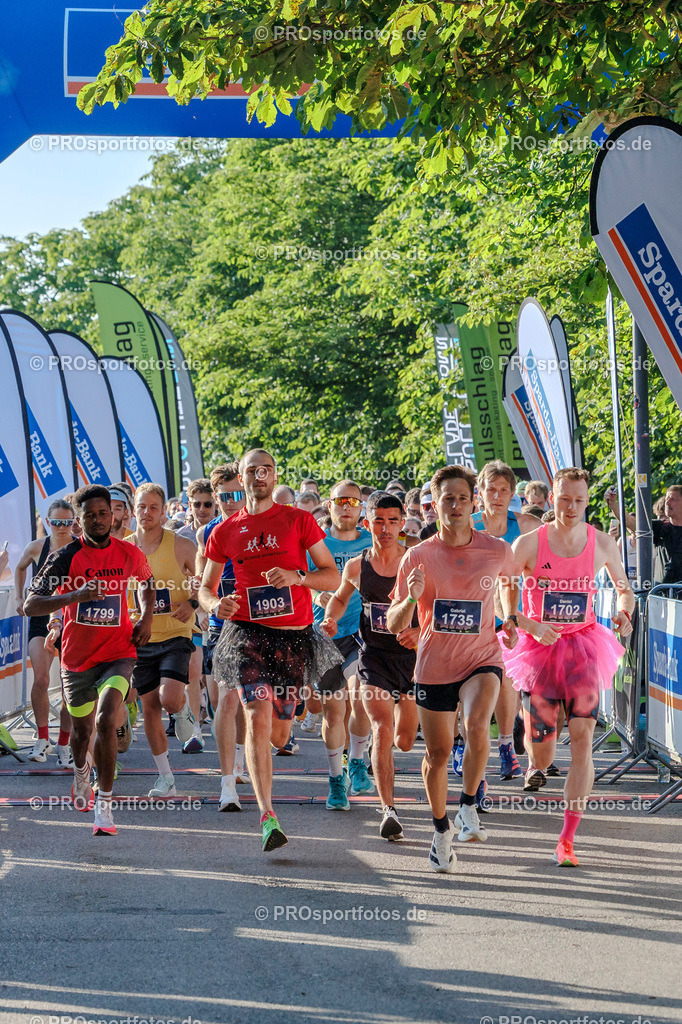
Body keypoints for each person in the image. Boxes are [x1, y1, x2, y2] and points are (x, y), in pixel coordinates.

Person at [199, 448, 341, 853]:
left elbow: (330, 577)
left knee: (279, 731)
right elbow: (206, 589)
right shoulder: (225, 530)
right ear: (240, 478)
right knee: (256, 716)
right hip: (247, 635)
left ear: (275, 475)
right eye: (251, 471)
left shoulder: (298, 520)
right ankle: (267, 817)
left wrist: (298, 577)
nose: (259, 476)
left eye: (267, 470)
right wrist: (215, 605)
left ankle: (286, 728)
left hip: (294, 638)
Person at [387, 465, 521, 873]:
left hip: (482, 657)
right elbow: (395, 624)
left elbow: (508, 584)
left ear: (473, 502)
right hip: (434, 663)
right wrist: (410, 600)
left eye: (464, 498)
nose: (457, 505)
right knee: (439, 752)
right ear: (435, 504)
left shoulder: (496, 549)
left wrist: (510, 617)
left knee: (479, 724)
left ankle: (468, 806)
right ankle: (441, 830)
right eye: (449, 498)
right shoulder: (418, 556)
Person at [503, 468, 634, 867]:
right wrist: (522, 622)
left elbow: (625, 589)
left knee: (582, 737)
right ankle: (533, 757)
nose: (571, 507)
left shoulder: (602, 542)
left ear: (587, 500)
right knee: (542, 755)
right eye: (564, 499)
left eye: (578, 500)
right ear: (551, 498)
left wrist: (626, 614)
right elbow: (502, 588)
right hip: (540, 649)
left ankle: (567, 839)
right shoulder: (528, 543)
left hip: (583, 648)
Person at [24, 484, 154, 837]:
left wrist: (146, 617)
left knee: (106, 718)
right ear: (78, 522)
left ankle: (105, 806)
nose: (98, 520)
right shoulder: (65, 557)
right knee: (81, 733)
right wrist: (75, 595)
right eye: (90, 515)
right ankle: (81, 772)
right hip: (77, 659)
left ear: (113, 516)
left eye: (103, 513)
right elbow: (30, 605)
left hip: (118, 652)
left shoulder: (128, 552)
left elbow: (147, 582)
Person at [322, 491, 419, 840]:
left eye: (393, 521)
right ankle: (388, 810)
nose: (386, 528)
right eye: (379, 521)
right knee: (381, 728)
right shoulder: (356, 566)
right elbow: (338, 598)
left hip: (412, 660)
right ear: (368, 523)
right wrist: (331, 620)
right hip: (373, 657)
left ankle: (384, 783)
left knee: (405, 740)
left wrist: (420, 631)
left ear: (403, 523)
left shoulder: (416, 562)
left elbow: (438, 607)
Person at [125, 483, 200, 797]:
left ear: (164, 511)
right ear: (134, 509)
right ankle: (165, 778)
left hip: (176, 632)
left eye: (153, 507)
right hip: (141, 637)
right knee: (150, 707)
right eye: (142, 507)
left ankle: (182, 710)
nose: (147, 513)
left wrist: (191, 603)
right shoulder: (123, 548)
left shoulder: (181, 545)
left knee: (169, 698)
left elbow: (207, 582)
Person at [471, 460, 542, 781]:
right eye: (491, 489)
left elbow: (552, 557)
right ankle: (464, 744)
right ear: (480, 492)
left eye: (503, 490)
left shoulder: (527, 525)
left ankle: (505, 747)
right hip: (470, 616)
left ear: (513, 493)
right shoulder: (467, 525)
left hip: (511, 616)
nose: (497, 496)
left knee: (507, 682)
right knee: (471, 691)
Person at [308, 479, 373, 810]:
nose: (346, 506)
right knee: (334, 712)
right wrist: (317, 593)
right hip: (326, 633)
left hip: (362, 633)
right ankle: (336, 780)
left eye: (353, 501)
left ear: (361, 507)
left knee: (361, 697)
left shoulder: (372, 540)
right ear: (329, 505)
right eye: (340, 501)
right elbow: (299, 580)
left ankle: (358, 761)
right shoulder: (316, 543)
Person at [196, 463, 248, 811]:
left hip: (259, 624)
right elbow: (203, 584)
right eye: (224, 497)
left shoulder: (262, 525)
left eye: (237, 495)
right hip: (221, 626)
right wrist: (209, 605)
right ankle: (227, 782)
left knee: (251, 703)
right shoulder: (208, 533)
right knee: (225, 701)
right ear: (215, 498)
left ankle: (243, 757)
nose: (231, 502)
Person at [14, 499, 77, 765]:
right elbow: (19, 567)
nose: (62, 527)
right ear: (47, 522)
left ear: (74, 522)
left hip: (72, 621)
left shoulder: (79, 548)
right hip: (41, 619)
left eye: (67, 522)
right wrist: (19, 598)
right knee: (40, 679)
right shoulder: (37, 547)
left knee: (68, 688)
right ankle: (41, 739)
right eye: (56, 522)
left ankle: (64, 744)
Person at [606, 483, 682, 584]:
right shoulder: (660, 527)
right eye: (666, 499)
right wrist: (613, 504)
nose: (667, 503)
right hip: (661, 594)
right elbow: (628, 521)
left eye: (672, 499)